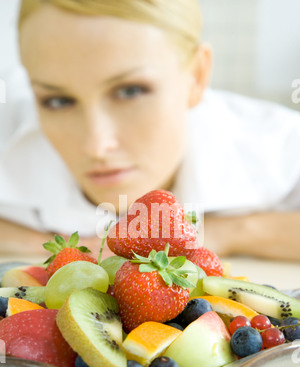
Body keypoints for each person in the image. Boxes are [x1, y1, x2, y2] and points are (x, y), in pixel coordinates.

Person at [0, 0, 300, 261]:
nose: (96, 145)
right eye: (58, 100)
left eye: (130, 91)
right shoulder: (9, 128)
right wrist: (35, 243)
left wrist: (235, 231)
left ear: (196, 76)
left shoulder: (278, 146)